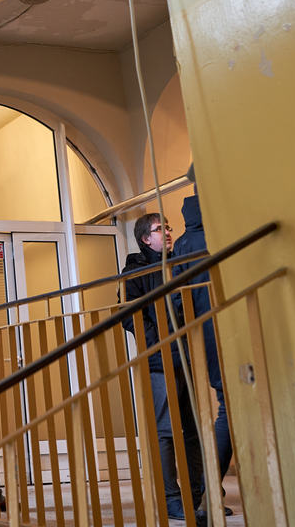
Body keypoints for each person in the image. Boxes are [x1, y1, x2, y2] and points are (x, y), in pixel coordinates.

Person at [122, 210, 206, 522]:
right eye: (160, 229)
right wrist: (160, 343)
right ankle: (171, 499)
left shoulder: (177, 263)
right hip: (159, 361)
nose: (168, 232)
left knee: (193, 430)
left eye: (168, 227)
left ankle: (197, 498)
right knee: (166, 432)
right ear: (146, 239)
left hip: (186, 356)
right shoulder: (135, 272)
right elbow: (130, 317)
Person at [171, 166, 233, 513]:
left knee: (228, 408)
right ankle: (210, 494)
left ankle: (210, 494)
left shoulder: (183, 243)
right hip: (231, 327)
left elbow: (178, 300)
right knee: (234, 410)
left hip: (208, 337)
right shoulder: (221, 231)